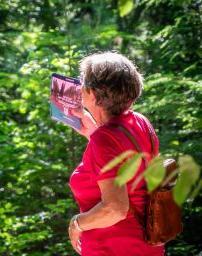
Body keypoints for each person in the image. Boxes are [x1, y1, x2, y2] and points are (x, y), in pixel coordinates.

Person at [68, 51, 164, 256]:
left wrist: (76, 224)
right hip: (147, 243)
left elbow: (115, 209)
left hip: (114, 248)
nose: (78, 85)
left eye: (81, 81)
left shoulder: (104, 138)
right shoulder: (139, 121)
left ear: (92, 94)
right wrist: (94, 133)